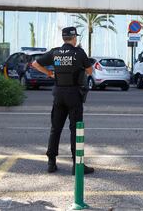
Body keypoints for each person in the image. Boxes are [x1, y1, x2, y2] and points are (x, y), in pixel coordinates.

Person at [32, 27, 94, 175]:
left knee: (55, 128)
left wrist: (49, 73)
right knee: (75, 129)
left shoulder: (55, 52)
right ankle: (77, 165)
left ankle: (51, 163)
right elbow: (90, 71)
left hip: (59, 94)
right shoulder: (78, 53)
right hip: (74, 94)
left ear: (63, 38)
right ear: (74, 38)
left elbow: (35, 64)